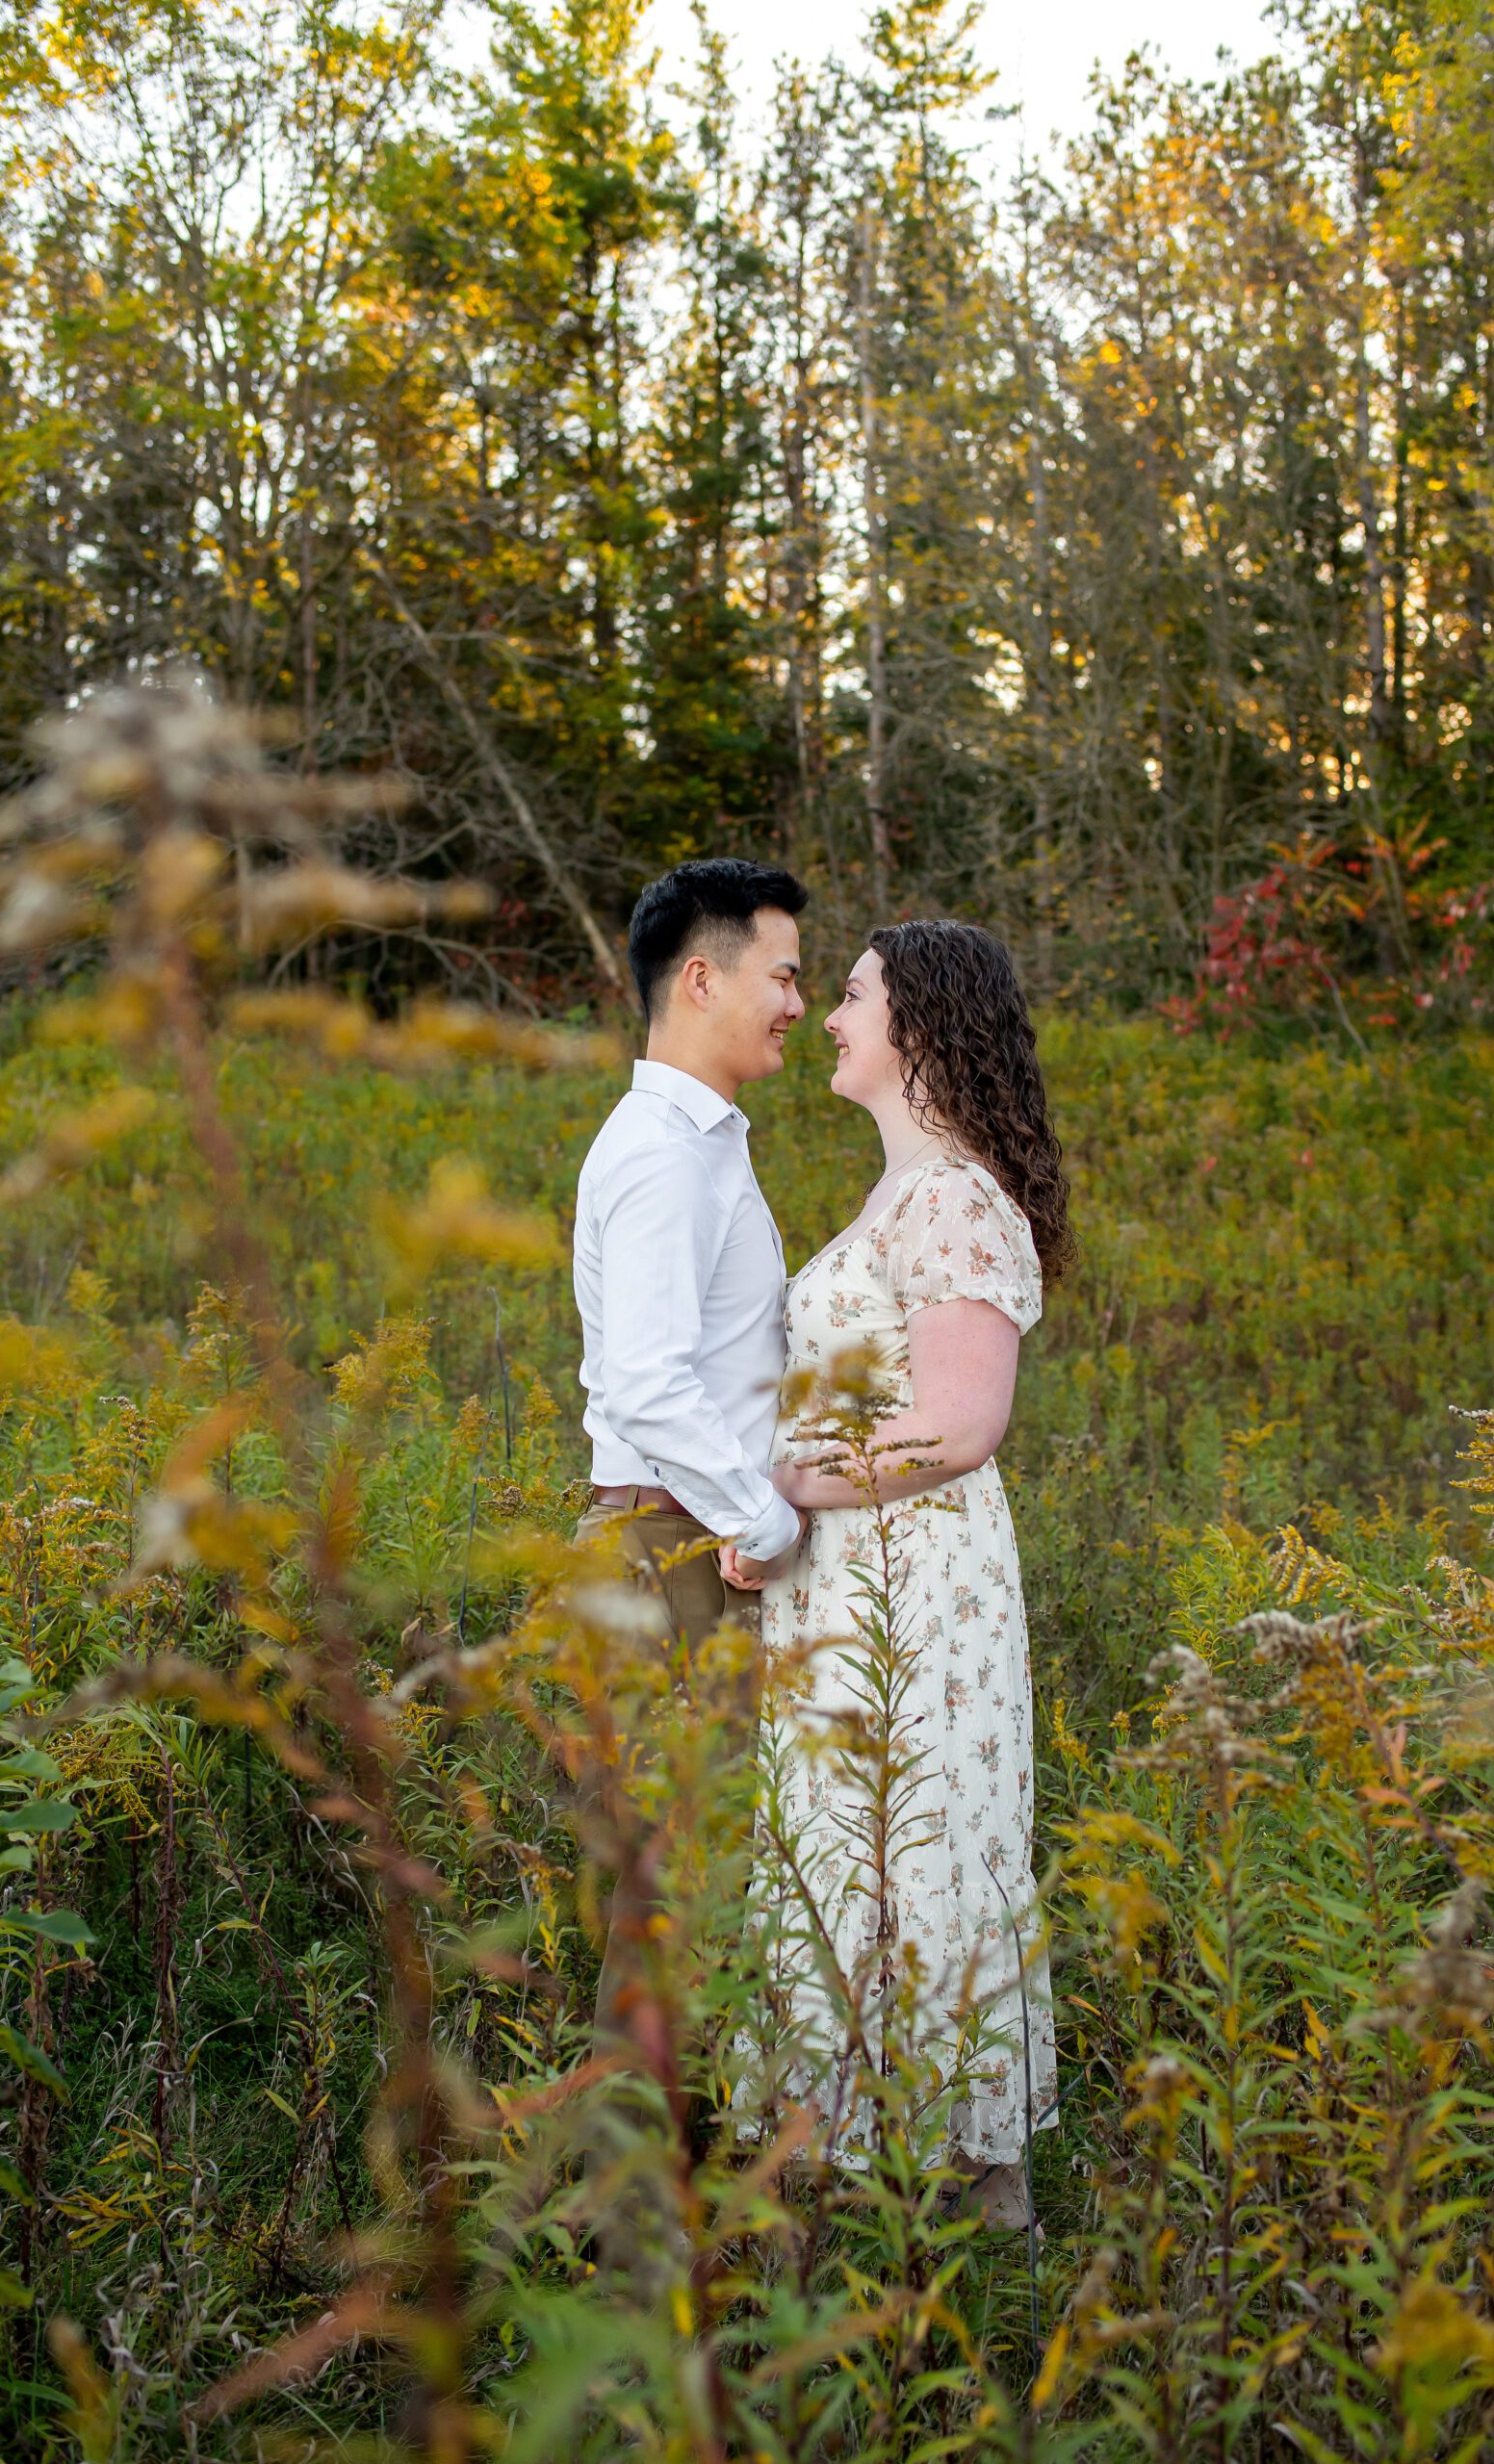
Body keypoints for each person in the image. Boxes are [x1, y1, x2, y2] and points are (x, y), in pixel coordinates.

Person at [723, 919, 1071, 2227]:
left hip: (919, 1587)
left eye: (853, 995)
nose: (827, 1017)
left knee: (921, 1848)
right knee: (849, 1852)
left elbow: (960, 1425)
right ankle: (860, 2169)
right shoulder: (903, 1193)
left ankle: (982, 2197)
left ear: (920, 1024)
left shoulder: (951, 1199)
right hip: (855, 1575)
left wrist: (785, 1485)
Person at [573, 856, 811, 2052]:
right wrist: (759, 1523)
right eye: (782, 975)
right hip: (671, 1543)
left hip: (680, 1538)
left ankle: (682, 2195)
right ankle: (641, 2223)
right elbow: (648, 1382)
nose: (797, 1003)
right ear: (702, 979)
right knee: (672, 1895)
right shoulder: (664, 1153)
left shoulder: (707, 1143)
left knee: (696, 1887)